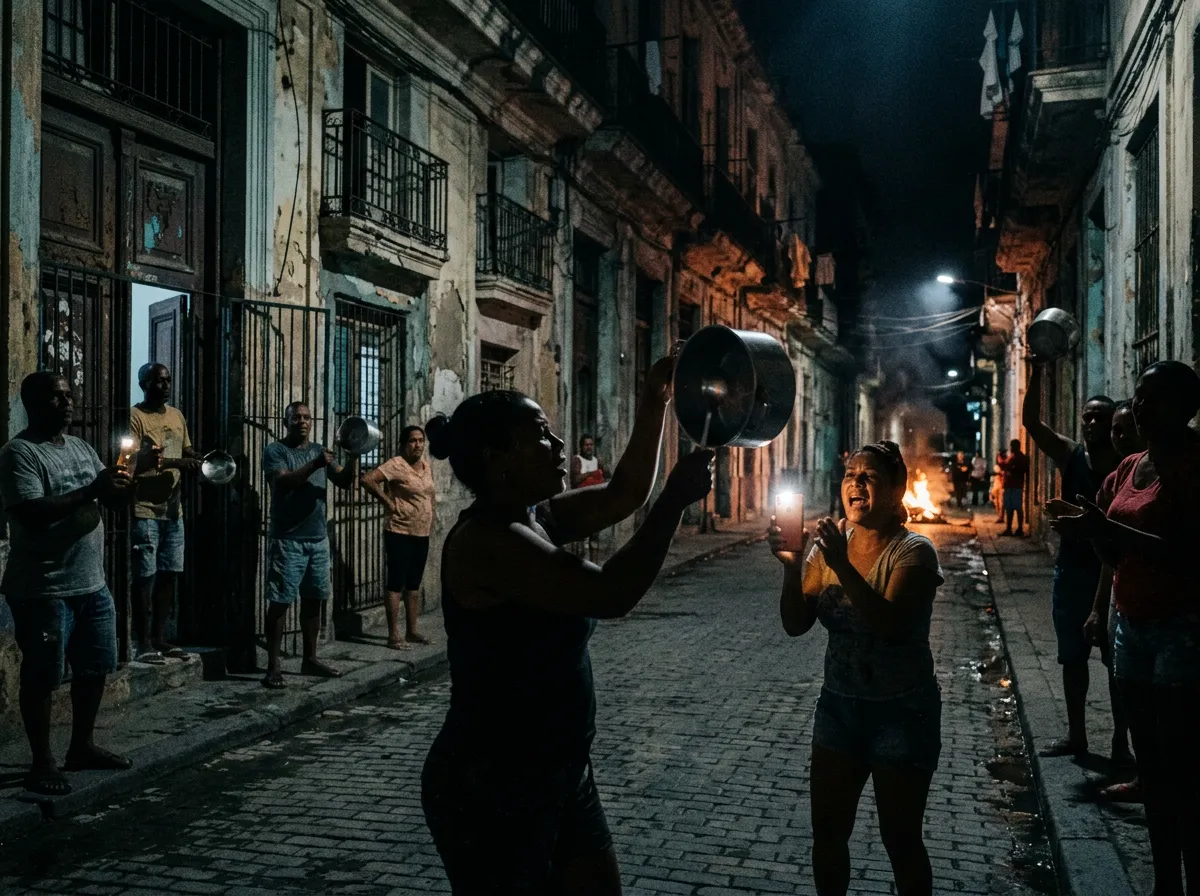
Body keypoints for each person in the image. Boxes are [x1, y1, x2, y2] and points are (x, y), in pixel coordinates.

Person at [420, 354, 713, 895]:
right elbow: (609, 593)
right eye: (540, 435)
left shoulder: (538, 518)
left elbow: (624, 494)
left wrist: (656, 400)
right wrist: (675, 500)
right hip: (493, 787)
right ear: (498, 458)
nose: (558, 444)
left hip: (559, 773)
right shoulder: (489, 541)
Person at [1049, 361, 1200, 896]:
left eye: (1154, 398)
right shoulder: (1130, 465)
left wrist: (1107, 530)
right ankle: (1165, 884)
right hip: (1130, 627)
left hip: (1181, 629)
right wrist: (1087, 531)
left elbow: (1189, 554)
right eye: (1138, 397)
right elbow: (1110, 547)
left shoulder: (1193, 466)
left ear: (1186, 409)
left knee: (1181, 765)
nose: (1140, 407)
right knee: (1153, 766)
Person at [770, 440, 944, 896]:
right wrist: (791, 567)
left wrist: (841, 566)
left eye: (869, 477)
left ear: (895, 492)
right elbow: (795, 625)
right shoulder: (829, 547)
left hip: (902, 713)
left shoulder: (914, 553)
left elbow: (887, 624)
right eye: (850, 475)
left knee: (900, 840)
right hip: (840, 710)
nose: (856, 484)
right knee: (827, 833)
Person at [0, 372, 138, 795]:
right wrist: (92, 489)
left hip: (90, 583)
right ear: (32, 402)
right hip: (44, 587)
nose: (68, 403)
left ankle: (82, 746)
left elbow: (108, 498)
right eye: (56, 397)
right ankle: (43, 760)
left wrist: (129, 477)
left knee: (95, 667)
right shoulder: (19, 453)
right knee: (42, 674)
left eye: (69, 394)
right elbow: (30, 512)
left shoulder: (79, 446)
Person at [1022, 364, 1119, 757]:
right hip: (1074, 571)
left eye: (1101, 417)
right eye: (1088, 416)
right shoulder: (1071, 455)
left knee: (1117, 663)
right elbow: (1031, 422)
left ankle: (1120, 743)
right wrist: (1038, 367)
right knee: (1072, 657)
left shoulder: (1124, 465)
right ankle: (1077, 735)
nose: (1092, 422)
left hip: (1114, 572)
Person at [261, 401, 357, 688]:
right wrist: (315, 464)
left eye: (306, 417)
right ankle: (273, 666)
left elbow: (342, 480)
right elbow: (284, 482)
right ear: (286, 421)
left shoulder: (318, 450)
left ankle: (310, 659)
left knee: (313, 600)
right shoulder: (276, 451)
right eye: (296, 418)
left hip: (317, 539)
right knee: (280, 602)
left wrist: (353, 455)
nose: (302, 421)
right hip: (288, 539)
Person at [1083, 400, 1143, 798]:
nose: (1117, 437)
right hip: (1126, 603)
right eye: (1114, 431)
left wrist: (1102, 532)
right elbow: (1110, 555)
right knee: (1127, 686)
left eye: (1126, 429)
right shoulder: (1122, 474)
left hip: (1173, 612)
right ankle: (1140, 768)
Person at [128, 363, 202, 664]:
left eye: (168, 380)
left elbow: (186, 450)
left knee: (169, 574)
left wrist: (195, 458)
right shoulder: (135, 417)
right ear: (144, 383)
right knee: (144, 577)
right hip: (145, 508)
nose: (166, 385)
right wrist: (177, 464)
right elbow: (131, 462)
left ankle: (160, 637)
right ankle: (142, 642)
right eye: (159, 381)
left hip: (173, 510)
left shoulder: (176, 415)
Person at [360, 425, 436, 649]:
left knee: (413, 584)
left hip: (421, 532)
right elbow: (367, 479)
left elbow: (429, 496)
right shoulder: (396, 465)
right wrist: (388, 502)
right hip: (399, 531)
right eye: (412, 441)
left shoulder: (426, 466)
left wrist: (432, 520)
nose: (418, 445)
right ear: (403, 444)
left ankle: (412, 631)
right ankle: (394, 635)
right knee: (396, 583)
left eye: (421, 440)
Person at [570, 434, 607, 563]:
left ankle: (594, 566)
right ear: (581, 446)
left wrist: (602, 470)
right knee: (581, 538)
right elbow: (575, 480)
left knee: (595, 539)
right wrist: (592, 474)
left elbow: (608, 476)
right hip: (582, 504)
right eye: (586, 445)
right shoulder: (577, 460)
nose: (589, 447)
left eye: (591, 445)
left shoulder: (597, 461)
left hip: (595, 505)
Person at [1000, 439, 1028, 536]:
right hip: (1010, 486)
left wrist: (1011, 469)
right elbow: (1005, 466)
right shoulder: (1012, 457)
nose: (1011, 448)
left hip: (1016, 486)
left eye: (1012, 446)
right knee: (1009, 508)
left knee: (1017, 507)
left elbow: (1020, 469)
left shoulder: (1021, 458)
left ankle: (1019, 529)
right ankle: (1009, 528)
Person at [991, 448, 1008, 522]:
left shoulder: (1006, 462)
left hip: (1002, 483)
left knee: (1001, 500)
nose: (998, 458)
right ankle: (999, 516)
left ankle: (1001, 517)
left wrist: (1001, 473)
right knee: (996, 499)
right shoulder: (998, 465)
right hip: (997, 482)